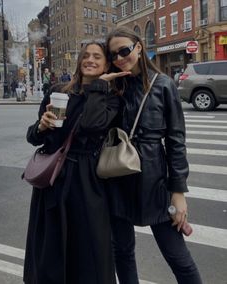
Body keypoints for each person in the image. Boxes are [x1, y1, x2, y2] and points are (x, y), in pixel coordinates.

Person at [23, 41, 129, 284]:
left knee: (88, 250)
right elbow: (33, 137)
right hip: (53, 182)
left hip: (86, 183)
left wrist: (100, 86)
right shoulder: (59, 91)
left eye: (97, 57)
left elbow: (92, 126)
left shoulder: (111, 98)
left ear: (106, 65)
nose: (90, 60)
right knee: (50, 251)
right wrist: (41, 126)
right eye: (86, 56)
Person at [105, 27, 203, 284]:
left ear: (138, 47)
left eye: (124, 50)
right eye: (113, 54)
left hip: (154, 181)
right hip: (117, 179)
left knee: (178, 257)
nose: (119, 58)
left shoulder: (163, 84)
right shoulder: (113, 85)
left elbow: (176, 141)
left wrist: (178, 192)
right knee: (122, 252)